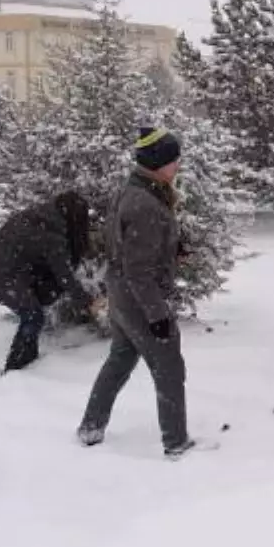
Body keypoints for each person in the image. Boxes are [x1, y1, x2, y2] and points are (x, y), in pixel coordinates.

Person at [76, 127, 196, 459]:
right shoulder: (145, 202)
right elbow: (139, 269)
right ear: (157, 162)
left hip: (122, 294)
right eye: (173, 159)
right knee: (169, 367)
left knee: (120, 359)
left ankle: (91, 426)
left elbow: (128, 242)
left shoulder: (137, 188)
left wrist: (173, 247)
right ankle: (176, 442)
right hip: (140, 297)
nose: (178, 164)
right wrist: (157, 315)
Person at [0, 191, 96, 373]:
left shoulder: (44, 216)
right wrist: (87, 302)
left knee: (33, 311)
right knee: (33, 315)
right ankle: (16, 367)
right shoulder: (52, 234)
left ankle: (28, 357)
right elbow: (64, 274)